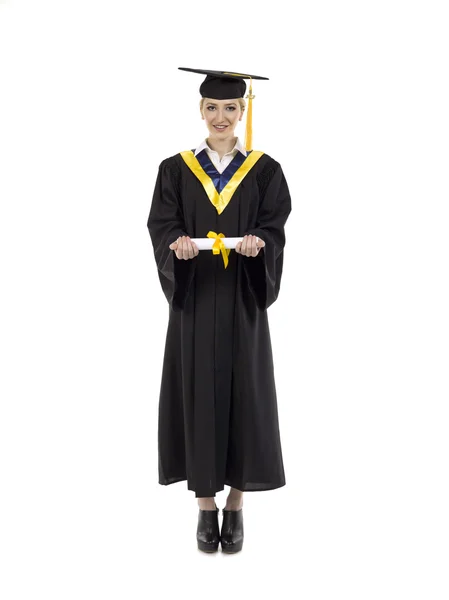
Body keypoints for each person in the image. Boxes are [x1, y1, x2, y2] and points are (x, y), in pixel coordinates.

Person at [147, 67, 292, 553]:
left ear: (243, 111)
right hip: (196, 298)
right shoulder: (175, 168)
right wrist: (175, 245)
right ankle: (205, 506)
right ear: (201, 111)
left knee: (243, 395)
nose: (222, 116)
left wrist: (261, 244)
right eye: (212, 108)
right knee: (197, 394)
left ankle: (236, 504)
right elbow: (161, 224)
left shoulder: (265, 170)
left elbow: (274, 226)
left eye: (231, 108)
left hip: (241, 299)